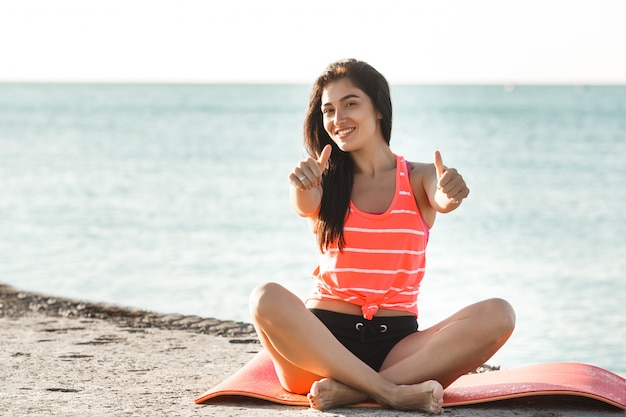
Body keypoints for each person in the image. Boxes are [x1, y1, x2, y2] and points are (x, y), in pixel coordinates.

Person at [249, 58, 515, 414]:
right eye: (328, 110)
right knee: (264, 297)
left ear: (378, 109)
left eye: (350, 104)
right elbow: (304, 203)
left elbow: (442, 197)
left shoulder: (419, 177)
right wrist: (304, 183)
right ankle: (386, 392)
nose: (338, 118)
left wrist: (450, 192)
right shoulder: (322, 181)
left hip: (398, 349)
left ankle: (353, 391)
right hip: (320, 348)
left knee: (500, 314)